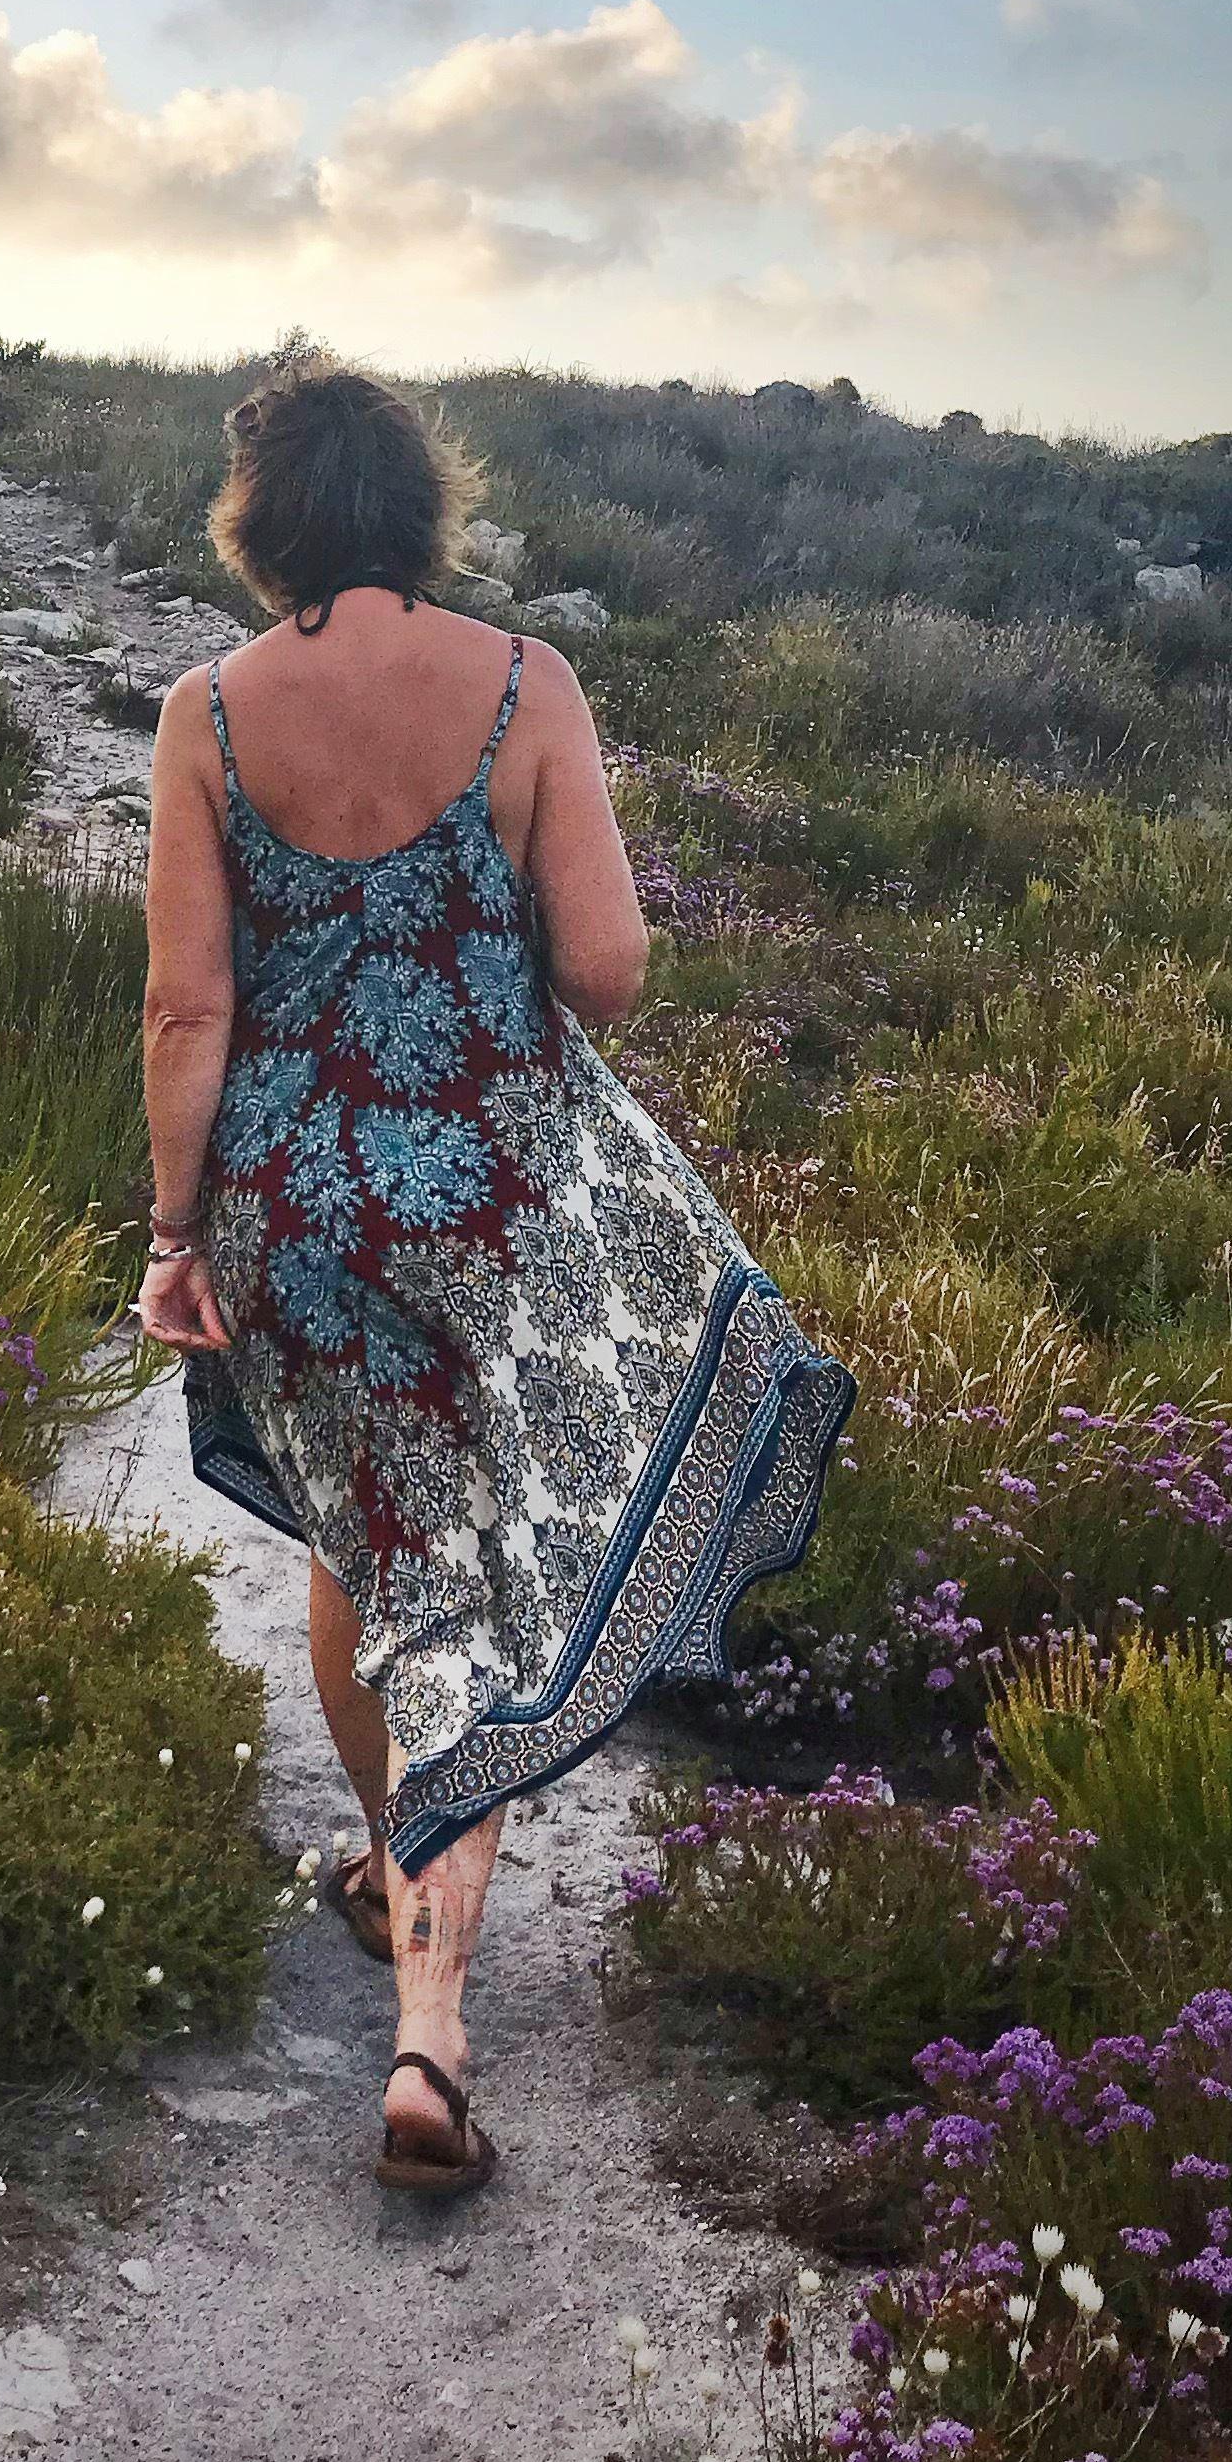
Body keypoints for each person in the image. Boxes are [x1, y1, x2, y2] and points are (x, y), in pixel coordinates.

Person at [137, 351, 851, 2199]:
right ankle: (433, 2034)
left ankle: (401, 1879)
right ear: (420, 505)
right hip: (491, 1202)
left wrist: (174, 1236)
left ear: (262, 524)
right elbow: (605, 973)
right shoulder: (530, 683)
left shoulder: (206, 716)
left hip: (292, 1205)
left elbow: (186, 1010)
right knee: (464, 1577)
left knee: (366, 1549)